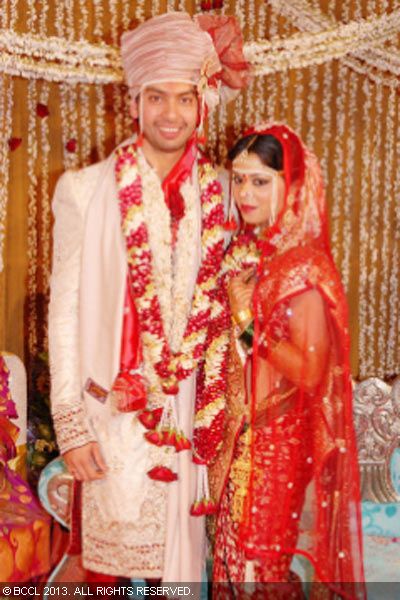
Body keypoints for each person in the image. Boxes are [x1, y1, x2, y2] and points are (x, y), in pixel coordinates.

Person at [48, 11, 249, 582]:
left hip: (185, 419)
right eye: (156, 97)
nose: (170, 114)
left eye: (184, 98)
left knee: (180, 571)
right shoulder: (84, 191)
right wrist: (72, 426)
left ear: (201, 104)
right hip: (109, 413)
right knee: (104, 574)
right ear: (133, 102)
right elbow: (64, 314)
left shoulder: (221, 198)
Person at [194, 123, 365, 597]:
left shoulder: (305, 265)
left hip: (274, 447)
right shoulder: (258, 253)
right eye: (239, 179)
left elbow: (309, 372)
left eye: (260, 181)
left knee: (259, 571)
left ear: (292, 185)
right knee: (231, 564)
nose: (245, 193)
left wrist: (246, 317)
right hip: (244, 438)